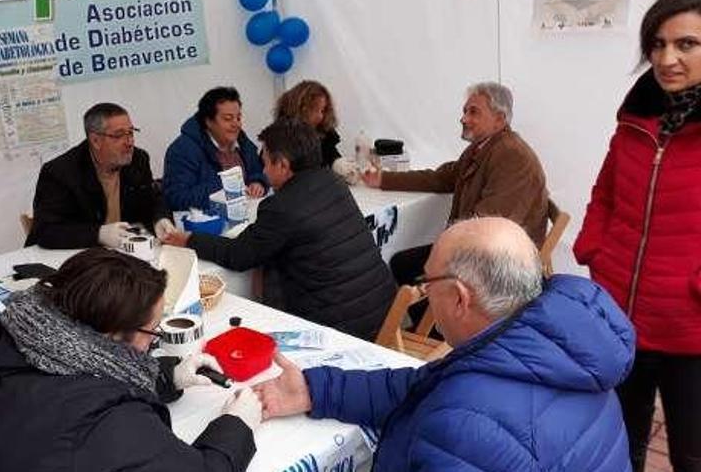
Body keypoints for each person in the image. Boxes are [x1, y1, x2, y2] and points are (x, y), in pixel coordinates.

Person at [254, 217, 634, 471]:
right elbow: (420, 385)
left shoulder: (463, 421)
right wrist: (314, 389)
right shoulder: (563, 350)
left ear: (458, 298)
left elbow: (455, 410)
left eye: (428, 282)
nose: (425, 291)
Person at [0, 248, 260, 471]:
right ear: (113, 334)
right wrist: (237, 425)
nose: (153, 343)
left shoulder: (10, 335)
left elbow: (79, 373)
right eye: (152, 331)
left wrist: (168, 377)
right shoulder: (107, 421)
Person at [573, 0, 701, 470]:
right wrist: (594, 250)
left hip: (689, 326)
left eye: (686, 43)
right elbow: (605, 192)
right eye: (659, 44)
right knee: (618, 442)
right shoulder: (636, 118)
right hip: (620, 313)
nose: (668, 58)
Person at [162, 118, 396, 341]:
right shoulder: (333, 182)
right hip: (384, 311)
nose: (262, 171)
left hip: (343, 329)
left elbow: (239, 255)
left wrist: (189, 239)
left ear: (283, 165)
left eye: (265, 163)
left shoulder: (282, 207)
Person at [363, 82, 548, 287]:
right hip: (480, 249)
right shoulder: (484, 147)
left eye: (473, 112)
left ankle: (442, 317)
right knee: (404, 264)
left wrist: (445, 250)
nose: (463, 118)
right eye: (465, 111)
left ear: (499, 119)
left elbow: (489, 226)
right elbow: (441, 178)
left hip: (502, 265)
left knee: (406, 266)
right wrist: (384, 179)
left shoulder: (512, 156)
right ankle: (436, 316)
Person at [26, 103, 174, 250]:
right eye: (119, 135)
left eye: (131, 132)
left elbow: (152, 199)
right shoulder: (60, 172)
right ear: (95, 140)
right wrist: (99, 234)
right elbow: (46, 231)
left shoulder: (138, 159)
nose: (129, 142)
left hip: (123, 252)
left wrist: (160, 219)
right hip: (73, 256)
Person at [163, 87, 267, 211]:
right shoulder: (183, 150)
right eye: (228, 119)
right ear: (208, 121)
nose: (236, 124)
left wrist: (258, 182)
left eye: (238, 118)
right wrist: (226, 185)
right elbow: (177, 198)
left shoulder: (242, 140)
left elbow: (259, 170)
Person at [274, 80, 345, 169]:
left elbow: (334, 158)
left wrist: (344, 167)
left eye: (322, 111)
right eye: (314, 110)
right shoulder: (276, 139)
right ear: (300, 109)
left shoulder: (325, 137)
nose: (320, 116)